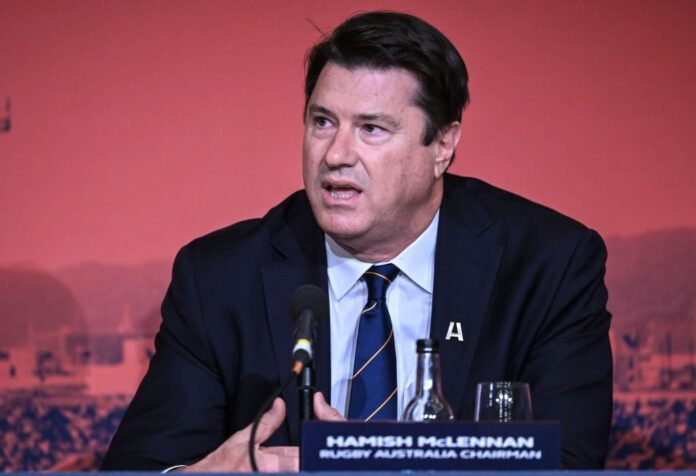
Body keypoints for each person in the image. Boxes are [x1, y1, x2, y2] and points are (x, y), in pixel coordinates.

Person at [101, 11, 612, 471]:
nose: (336, 154)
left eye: (371, 129)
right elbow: (138, 466)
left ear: (442, 145)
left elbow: (567, 464)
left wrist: (376, 465)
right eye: (323, 122)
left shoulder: (547, 267)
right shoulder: (220, 279)